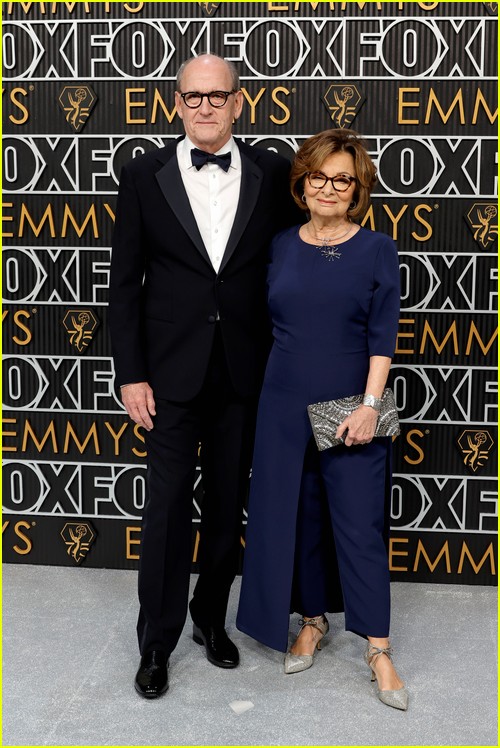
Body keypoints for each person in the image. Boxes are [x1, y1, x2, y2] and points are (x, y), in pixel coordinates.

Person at [108, 54, 301, 699]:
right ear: (177, 104)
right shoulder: (142, 175)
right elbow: (125, 286)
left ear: (239, 103)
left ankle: (209, 619)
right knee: (165, 512)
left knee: (226, 508)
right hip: (167, 376)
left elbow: (299, 259)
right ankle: (155, 641)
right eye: (193, 97)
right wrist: (131, 374)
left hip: (246, 371)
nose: (205, 108)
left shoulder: (274, 173)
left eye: (218, 97)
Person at [236, 128, 408, 711]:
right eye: (319, 177)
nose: (329, 188)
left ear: (357, 189)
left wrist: (369, 405)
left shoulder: (376, 249)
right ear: (303, 181)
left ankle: (378, 649)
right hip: (281, 403)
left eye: (343, 179)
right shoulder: (281, 244)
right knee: (300, 520)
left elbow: (382, 339)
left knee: (359, 528)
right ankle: (312, 620)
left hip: (350, 406)